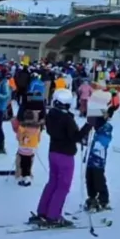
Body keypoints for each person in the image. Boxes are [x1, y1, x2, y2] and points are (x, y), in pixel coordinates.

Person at [32, 88, 91, 228]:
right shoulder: (66, 119)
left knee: (53, 182)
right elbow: (75, 136)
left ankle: (43, 211)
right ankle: (53, 216)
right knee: (63, 186)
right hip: (65, 155)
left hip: (53, 152)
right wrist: (88, 125)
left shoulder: (51, 114)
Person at [84, 120, 113, 212]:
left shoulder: (105, 129)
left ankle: (103, 200)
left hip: (98, 161)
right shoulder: (94, 129)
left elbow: (101, 144)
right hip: (90, 160)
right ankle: (92, 197)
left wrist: (91, 142)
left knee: (99, 180)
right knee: (89, 179)